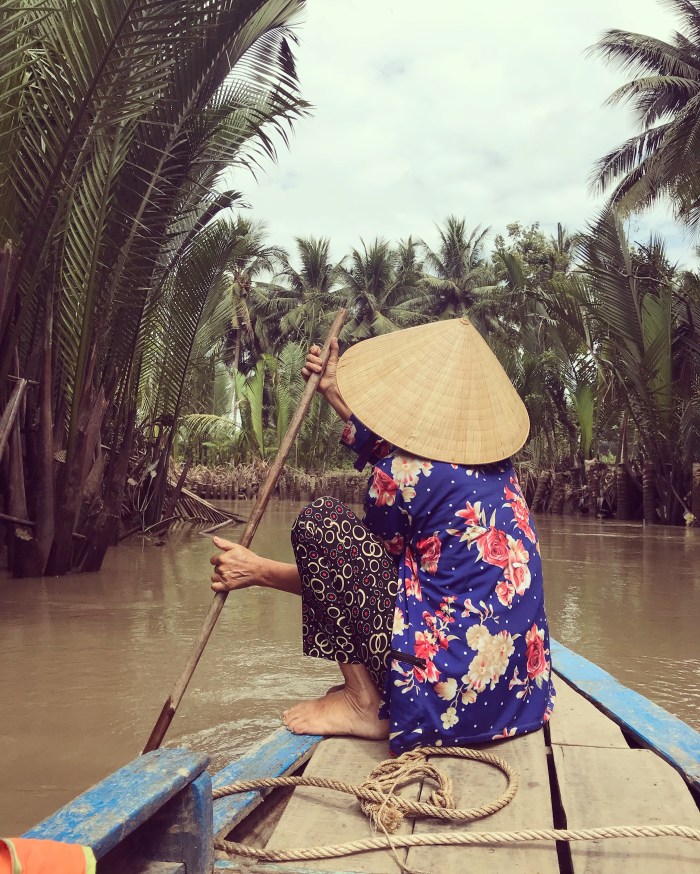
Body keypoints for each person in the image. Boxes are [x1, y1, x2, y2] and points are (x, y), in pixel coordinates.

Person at [210, 318, 555, 755]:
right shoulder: (499, 470)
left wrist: (256, 570)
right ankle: (372, 691)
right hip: (516, 696)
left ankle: (362, 701)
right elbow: (407, 456)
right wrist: (333, 391)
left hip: (444, 699)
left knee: (321, 524)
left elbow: (345, 580)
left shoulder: (398, 476)